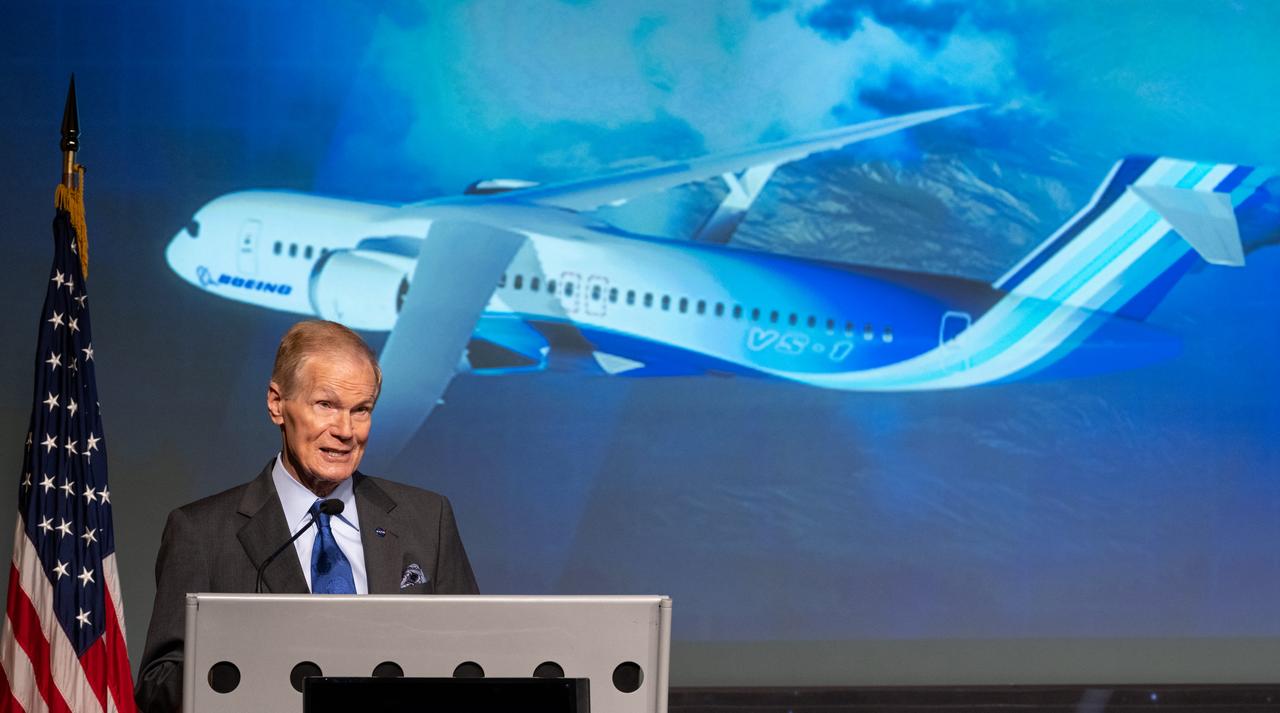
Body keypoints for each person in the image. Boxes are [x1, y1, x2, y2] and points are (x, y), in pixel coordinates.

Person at [135, 320, 479, 712]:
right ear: (277, 404)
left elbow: (472, 662)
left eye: (361, 410)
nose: (346, 430)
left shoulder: (426, 519)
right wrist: (248, 652)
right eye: (326, 405)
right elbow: (158, 688)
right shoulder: (202, 532)